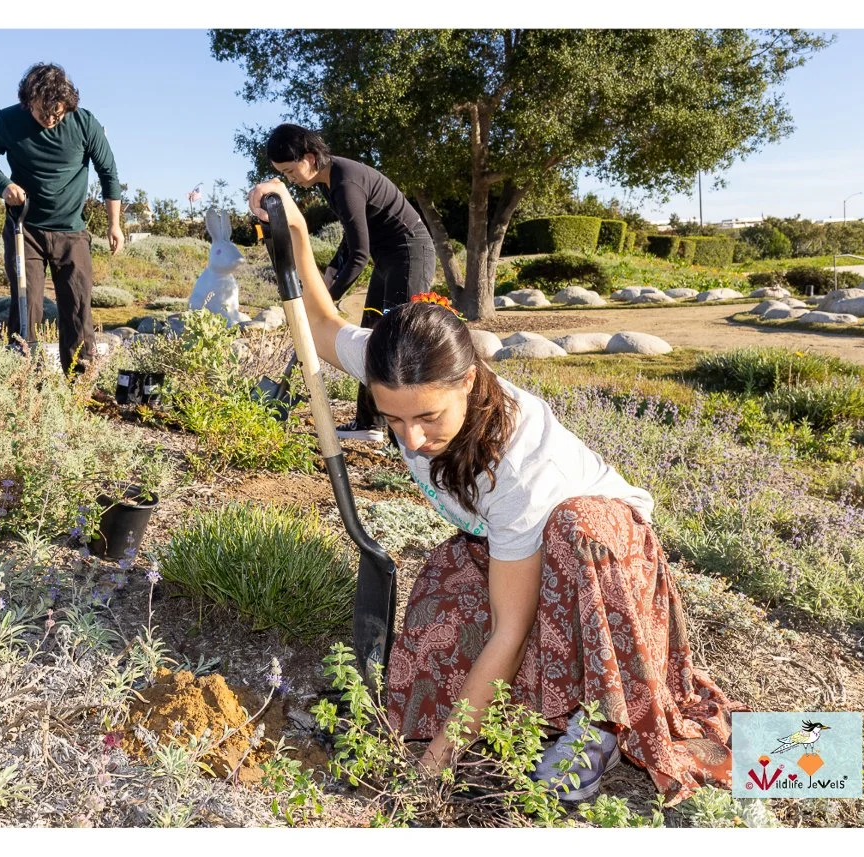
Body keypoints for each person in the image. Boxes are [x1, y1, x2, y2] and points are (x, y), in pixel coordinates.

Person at [248, 179, 746, 806]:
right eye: (392, 418)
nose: (412, 437)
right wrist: (294, 229)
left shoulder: (516, 467)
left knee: (576, 530)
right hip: (510, 546)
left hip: (604, 560)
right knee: (442, 601)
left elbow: (509, 631)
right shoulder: (399, 364)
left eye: (429, 418)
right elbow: (322, 327)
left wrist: (434, 769)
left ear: (468, 380)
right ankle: (537, 707)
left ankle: (594, 723)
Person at [265, 124, 435, 443]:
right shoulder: (328, 183)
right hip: (387, 259)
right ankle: (368, 422)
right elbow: (348, 245)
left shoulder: (345, 182)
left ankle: (410, 434)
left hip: (410, 254)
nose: (290, 178)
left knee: (399, 340)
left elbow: (358, 255)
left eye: (290, 170)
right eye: (283, 173)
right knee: (372, 334)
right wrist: (322, 286)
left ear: (310, 157)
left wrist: (327, 304)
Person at [0, 62, 123, 375]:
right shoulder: (7, 120)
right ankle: (23, 384)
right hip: (24, 230)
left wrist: (114, 224)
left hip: (71, 231)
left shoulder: (84, 122)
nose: (52, 120)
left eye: (59, 113)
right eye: (45, 113)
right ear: (28, 102)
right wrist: (4, 185)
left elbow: (108, 172)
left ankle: (79, 385)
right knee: (28, 306)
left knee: (78, 310)